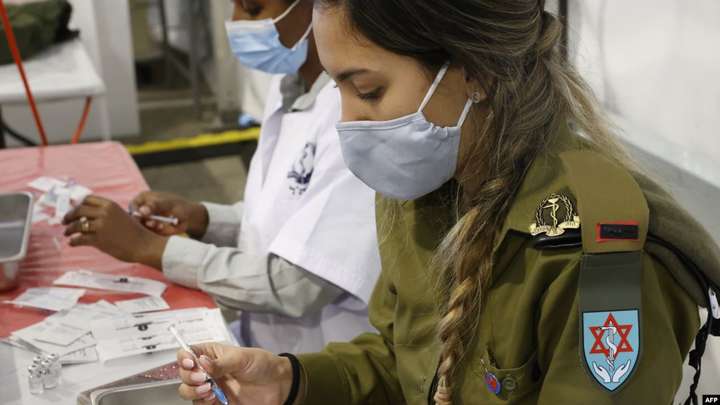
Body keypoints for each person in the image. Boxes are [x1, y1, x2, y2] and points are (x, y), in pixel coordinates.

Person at [173, 0, 720, 404]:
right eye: (338, 90)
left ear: (473, 72)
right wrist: (289, 380)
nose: (348, 122)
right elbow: (404, 361)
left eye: (368, 91)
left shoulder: (597, 251)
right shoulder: (420, 192)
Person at [62, 0, 381, 354]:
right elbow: (281, 212)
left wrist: (150, 248)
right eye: (234, 7)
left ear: (317, 7)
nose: (236, 23)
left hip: (325, 363)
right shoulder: (288, 86)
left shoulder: (355, 120)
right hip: (268, 347)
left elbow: (295, 285)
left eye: (253, 9)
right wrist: (203, 218)